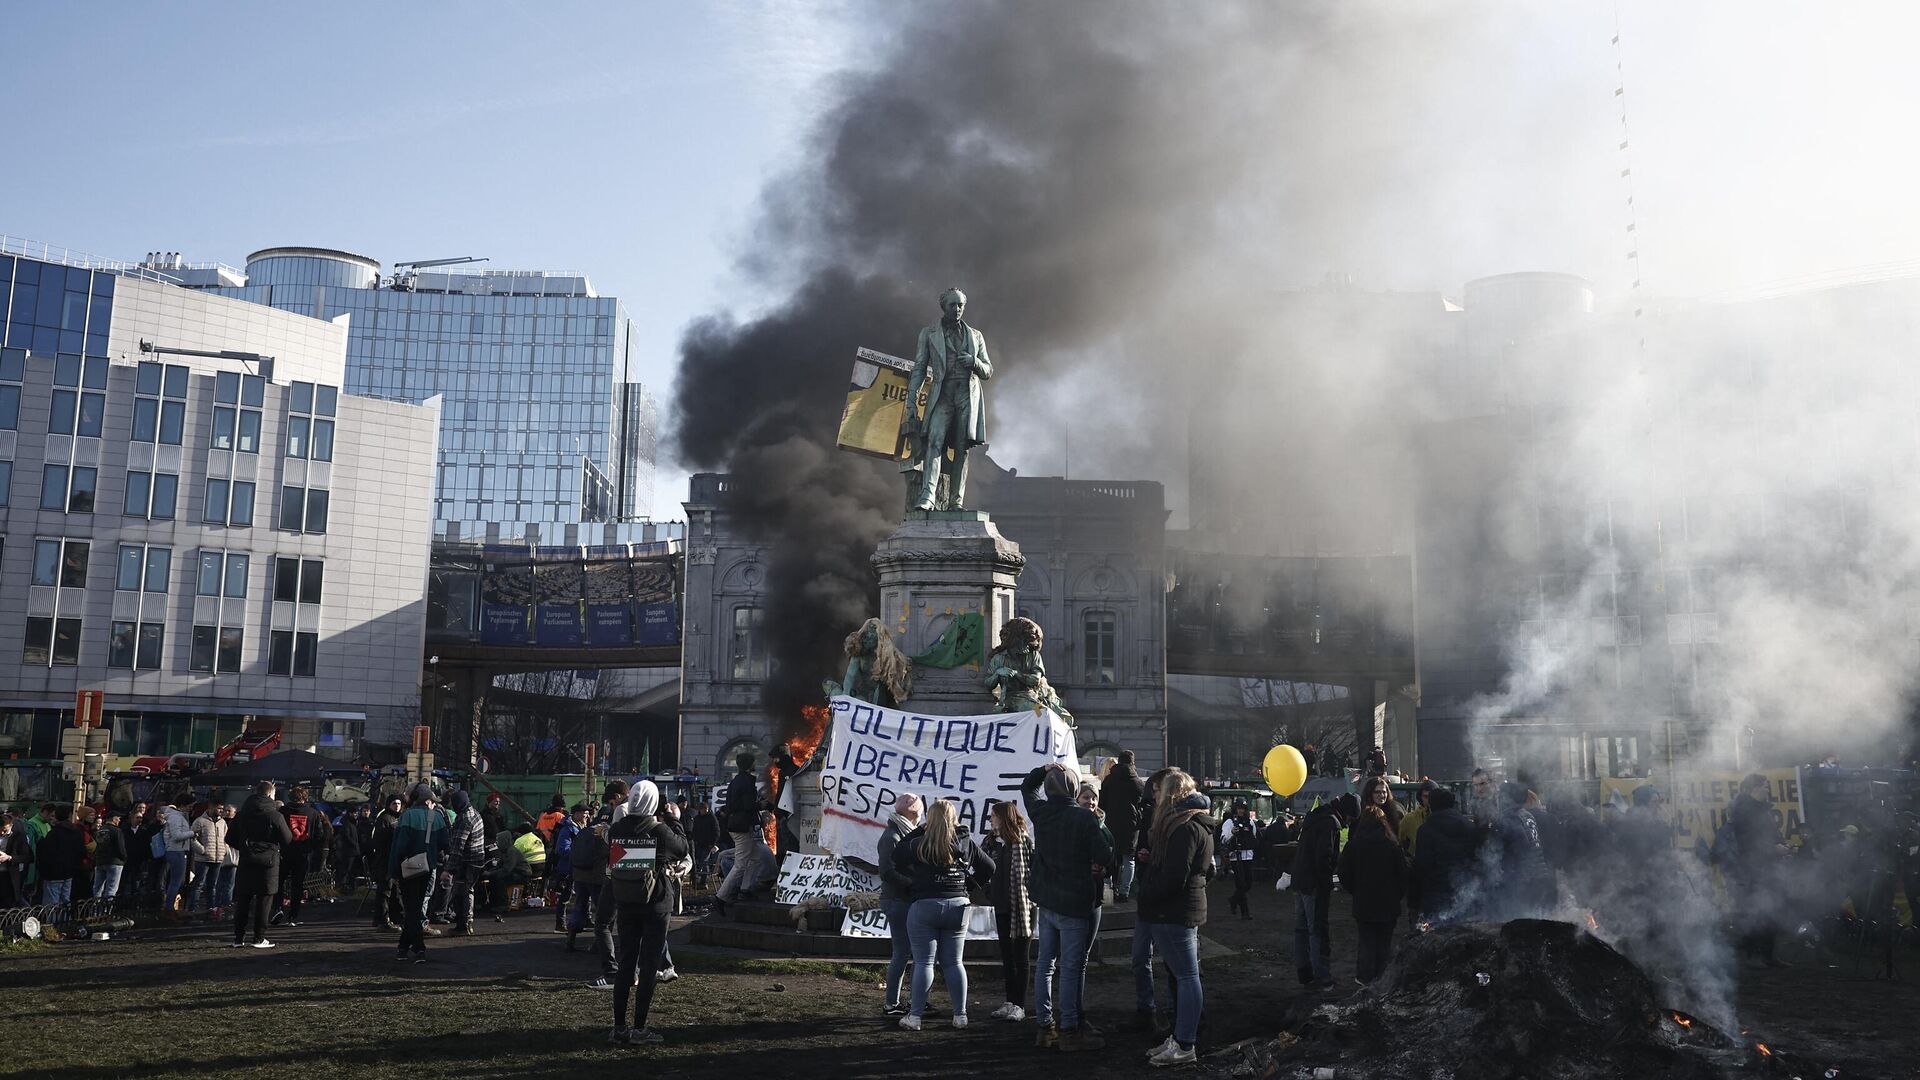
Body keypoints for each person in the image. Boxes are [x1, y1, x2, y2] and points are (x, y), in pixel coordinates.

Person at [1023, 762, 1115, 1052]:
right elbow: (1104, 855)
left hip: (1046, 900)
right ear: (1076, 790)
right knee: (1072, 968)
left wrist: (1045, 769)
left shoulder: (1040, 813)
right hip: (1074, 903)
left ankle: (1044, 1027)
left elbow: (1028, 787)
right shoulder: (1084, 819)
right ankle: (1070, 1030)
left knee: (1044, 966)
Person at [889, 798, 995, 1032]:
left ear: (930, 819)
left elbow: (896, 857)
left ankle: (915, 1017)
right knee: (955, 963)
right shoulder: (964, 841)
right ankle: (960, 1015)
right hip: (958, 904)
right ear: (954, 819)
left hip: (924, 904)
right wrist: (967, 885)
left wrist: (918, 830)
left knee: (924, 962)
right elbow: (989, 867)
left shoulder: (919, 842)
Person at [1136, 769, 1213, 1067]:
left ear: (1170, 795)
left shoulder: (1184, 827)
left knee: (1187, 977)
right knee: (1186, 976)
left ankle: (1185, 1043)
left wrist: (1147, 894)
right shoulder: (1195, 823)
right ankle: (1181, 1037)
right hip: (1182, 908)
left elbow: (1174, 877)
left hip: (1174, 910)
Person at [606, 780, 690, 1046]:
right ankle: (640, 1028)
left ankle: (619, 1028)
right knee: (650, 964)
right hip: (655, 903)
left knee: (626, 963)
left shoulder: (618, 828)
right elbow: (683, 849)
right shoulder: (660, 831)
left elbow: (609, 844)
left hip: (626, 900)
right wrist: (674, 820)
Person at [1289, 792, 1358, 991]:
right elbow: (1324, 857)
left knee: (1300, 929)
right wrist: (1328, 882)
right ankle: (1323, 977)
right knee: (1317, 929)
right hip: (1315, 885)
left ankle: (1304, 973)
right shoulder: (1331, 824)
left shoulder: (1315, 818)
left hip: (1299, 880)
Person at [1338, 805, 1409, 983]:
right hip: (1388, 903)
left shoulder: (1353, 846)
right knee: (1384, 943)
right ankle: (1381, 977)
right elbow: (1403, 875)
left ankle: (1364, 978)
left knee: (1366, 942)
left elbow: (1343, 873)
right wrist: (1397, 895)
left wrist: (1354, 890)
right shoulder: (1391, 847)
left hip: (1363, 902)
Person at [1727, 772, 1787, 967]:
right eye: (1765, 785)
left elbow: (1771, 834)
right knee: (1754, 910)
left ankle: (1769, 955)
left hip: (1767, 867)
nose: (1768, 789)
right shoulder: (1744, 811)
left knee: (1771, 909)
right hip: (1752, 869)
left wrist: (1781, 844)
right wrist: (1772, 849)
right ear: (1755, 788)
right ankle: (1753, 956)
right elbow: (1748, 842)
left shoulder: (1763, 809)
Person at [983, 799, 1034, 1023]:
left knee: (1020, 957)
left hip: (1022, 907)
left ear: (1003, 817)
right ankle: (1009, 1000)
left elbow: (1031, 871)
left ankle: (1019, 1004)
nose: (991, 819)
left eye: (994, 815)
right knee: (1006, 956)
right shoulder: (992, 843)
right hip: (1001, 905)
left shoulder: (1022, 841)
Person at [875, 792, 925, 1016]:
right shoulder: (892, 837)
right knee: (903, 953)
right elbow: (886, 871)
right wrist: (913, 884)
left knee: (906, 953)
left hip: (902, 899)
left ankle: (905, 1001)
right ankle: (892, 1003)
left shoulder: (899, 834)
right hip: (898, 900)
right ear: (915, 812)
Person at [388, 783, 448, 963]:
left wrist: (393, 872)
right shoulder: (437, 817)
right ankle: (402, 948)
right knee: (416, 907)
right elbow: (445, 844)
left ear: (413, 798)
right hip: (428, 868)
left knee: (411, 909)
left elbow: (398, 847)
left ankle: (419, 948)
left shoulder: (407, 816)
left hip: (408, 868)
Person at [231, 782, 292, 949]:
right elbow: (287, 838)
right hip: (269, 862)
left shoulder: (242, 814)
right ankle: (259, 938)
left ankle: (238, 938)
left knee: (243, 899)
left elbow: (229, 838)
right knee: (264, 901)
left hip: (246, 859)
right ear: (271, 794)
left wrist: (245, 847)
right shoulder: (275, 815)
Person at [1409, 789, 1477, 924]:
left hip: (1435, 897)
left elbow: (1421, 866)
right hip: (1464, 895)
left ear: (1432, 805)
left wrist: (1413, 902)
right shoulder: (1469, 827)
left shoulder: (1426, 830)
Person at [1490, 782, 1553, 917]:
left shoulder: (1505, 820)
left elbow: (1498, 854)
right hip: (1539, 876)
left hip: (1520, 881)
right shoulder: (1528, 816)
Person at [714, 753, 764, 916]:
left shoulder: (735, 781)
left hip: (737, 825)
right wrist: (761, 804)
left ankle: (746, 888)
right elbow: (748, 805)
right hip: (743, 827)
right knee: (741, 864)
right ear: (750, 764)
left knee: (756, 857)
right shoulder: (747, 782)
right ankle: (721, 897)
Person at [276, 786, 328, 927]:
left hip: (284, 852)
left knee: (279, 882)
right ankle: (293, 916)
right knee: (297, 885)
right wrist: (310, 848)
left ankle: (277, 909)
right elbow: (319, 835)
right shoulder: (313, 813)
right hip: (303, 854)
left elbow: (275, 830)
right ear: (305, 797)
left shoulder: (283, 812)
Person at [1099, 750, 1147, 902]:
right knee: (1129, 859)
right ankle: (1124, 892)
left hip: (1110, 823)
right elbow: (1144, 803)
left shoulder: (1108, 780)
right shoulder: (1137, 782)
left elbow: (1102, 803)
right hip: (1131, 826)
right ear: (1133, 762)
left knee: (1111, 857)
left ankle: (1109, 889)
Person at [442, 790, 488, 936]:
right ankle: (468, 923)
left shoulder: (464, 819)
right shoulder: (475, 813)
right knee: (469, 891)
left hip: (467, 862)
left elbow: (457, 847)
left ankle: (463, 925)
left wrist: (448, 869)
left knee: (461, 892)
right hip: (478, 860)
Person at [567, 803, 609, 952]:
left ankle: (571, 936)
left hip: (579, 875)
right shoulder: (604, 833)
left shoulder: (584, 831)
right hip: (596, 877)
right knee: (601, 910)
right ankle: (599, 942)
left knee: (579, 905)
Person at [34, 805, 87, 909]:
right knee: (65, 900)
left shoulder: (53, 833)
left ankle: (52, 923)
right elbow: (81, 851)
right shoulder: (76, 832)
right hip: (69, 872)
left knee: (52, 903)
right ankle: (64, 922)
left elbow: (45, 853)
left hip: (53, 873)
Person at [369, 796, 404, 930]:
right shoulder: (385, 818)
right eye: (394, 803)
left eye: (399, 803)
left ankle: (391, 917)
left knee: (393, 889)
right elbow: (380, 840)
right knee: (385, 890)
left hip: (394, 858)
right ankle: (383, 920)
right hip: (385, 859)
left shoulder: (398, 818)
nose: (397, 805)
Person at [190, 802, 231, 916]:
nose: (221, 811)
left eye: (222, 808)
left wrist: (224, 851)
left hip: (217, 858)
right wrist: (202, 850)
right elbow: (192, 838)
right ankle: (192, 908)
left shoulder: (222, 823)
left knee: (212, 885)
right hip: (203, 859)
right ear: (211, 807)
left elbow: (226, 838)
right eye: (219, 808)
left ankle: (211, 907)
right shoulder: (199, 821)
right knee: (199, 883)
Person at [159, 794, 194, 917]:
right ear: (183, 805)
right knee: (176, 882)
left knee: (176, 881)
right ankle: (169, 908)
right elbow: (176, 836)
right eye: (190, 806)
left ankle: (170, 907)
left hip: (176, 851)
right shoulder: (176, 817)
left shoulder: (176, 816)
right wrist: (192, 833)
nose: (191, 808)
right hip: (176, 851)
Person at [1220, 802, 1257, 919]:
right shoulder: (1229, 822)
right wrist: (1231, 833)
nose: (1241, 811)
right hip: (1236, 855)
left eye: (1243, 809)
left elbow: (1253, 835)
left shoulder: (1250, 822)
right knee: (1241, 883)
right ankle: (1244, 912)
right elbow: (1223, 838)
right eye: (1239, 809)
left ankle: (1234, 900)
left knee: (1248, 883)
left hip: (1248, 854)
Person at [91, 808, 127, 905]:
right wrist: (124, 858)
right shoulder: (116, 831)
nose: (119, 820)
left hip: (100, 861)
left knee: (97, 888)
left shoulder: (100, 830)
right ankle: (106, 911)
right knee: (111, 889)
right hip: (114, 861)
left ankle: (95, 910)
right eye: (118, 818)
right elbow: (120, 847)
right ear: (114, 818)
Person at [1398, 780, 1437, 855]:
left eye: (1432, 796)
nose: (1429, 800)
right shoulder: (1409, 819)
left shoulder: (1445, 818)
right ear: (1420, 798)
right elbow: (1400, 842)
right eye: (1426, 797)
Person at [332, 805, 363, 895]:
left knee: (349, 870)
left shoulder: (351, 823)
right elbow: (347, 836)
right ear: (350, 813)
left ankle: (346, 886)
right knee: (346, 870)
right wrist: (354, 844)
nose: (356, 814)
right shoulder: (347, 824)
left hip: (352, 851)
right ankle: (343, 887)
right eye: (354, 813)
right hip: (349, 851)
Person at [689, 802, 720, 890]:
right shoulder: (697, 818)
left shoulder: (712, 818)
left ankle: (704, 881)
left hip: (708, 844)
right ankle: (701, 880)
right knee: (701, 861)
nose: (704, 811)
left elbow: (716, 831)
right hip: (699, 843)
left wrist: (713, 843)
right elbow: (694, 830)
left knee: (704, 861)